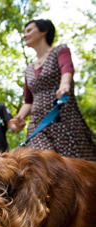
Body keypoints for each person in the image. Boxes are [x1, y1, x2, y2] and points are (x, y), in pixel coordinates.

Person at [15, 19, 96, 161]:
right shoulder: (28, 69)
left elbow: (67, 68)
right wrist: (18, 118)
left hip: (63, 118)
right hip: (37, 125)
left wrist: (65, 84)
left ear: (44, 31)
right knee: (45, 164)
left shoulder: (60, 50)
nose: (24, 35)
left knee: (74, 167)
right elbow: (28, 101)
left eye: (29, 30)